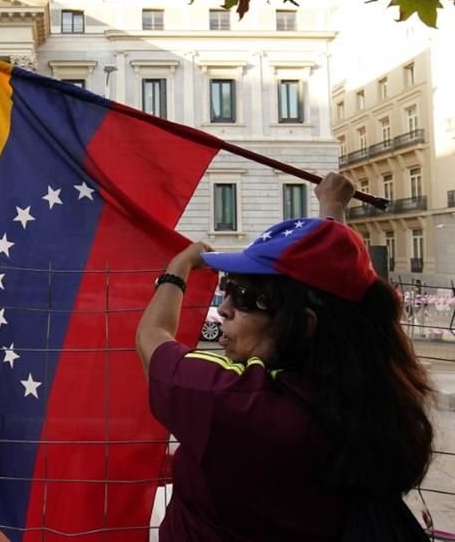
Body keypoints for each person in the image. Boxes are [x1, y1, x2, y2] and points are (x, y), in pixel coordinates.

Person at [137, 173, 434, 541]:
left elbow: (152, 338)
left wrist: (177, 269)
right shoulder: (382, 395)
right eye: (227, 289)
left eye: (245, 296)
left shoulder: (235, 404)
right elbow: (336, 287)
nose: (225, 308)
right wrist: (332, 210)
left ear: (302, 325)